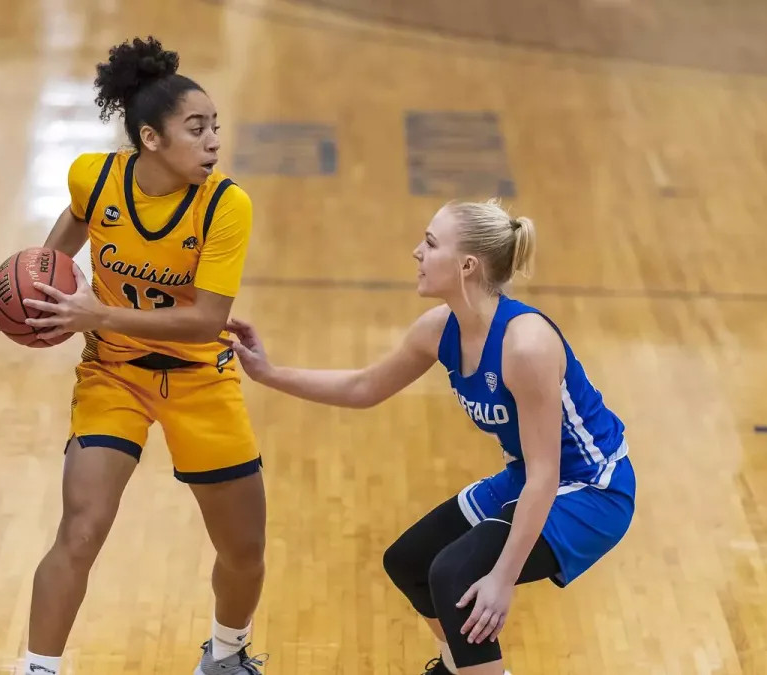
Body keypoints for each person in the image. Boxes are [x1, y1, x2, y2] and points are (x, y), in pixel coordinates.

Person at [222, 199, 636, 675]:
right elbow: (364, 388)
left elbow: (547, 474)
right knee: (410, 562)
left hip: (594, 492)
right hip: (532, 478)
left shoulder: (526, 346)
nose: (417, 251)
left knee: (454, 573)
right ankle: (460, 668)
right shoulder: (440, 329)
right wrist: (269, 374)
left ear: (467, 266)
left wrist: (501, 579)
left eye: (431, 243)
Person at [4, 35, 267, 675]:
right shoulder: (94, 178)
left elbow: (206, 321)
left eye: (216, 129)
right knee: (81, 529)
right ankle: (38, 668)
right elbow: (57, 253)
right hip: (113, 375)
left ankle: (227, 655)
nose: (213, 142)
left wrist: (97, 312)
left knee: (244, 549)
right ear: (151, 139)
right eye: (196, 129)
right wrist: (42, 296)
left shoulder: (226, 206)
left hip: (199, 380)